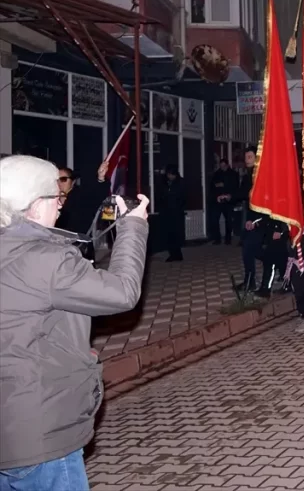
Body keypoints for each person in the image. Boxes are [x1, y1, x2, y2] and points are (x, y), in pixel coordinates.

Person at [0, 155, 149, 491]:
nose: (60, 206)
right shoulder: (45, 260)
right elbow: (122, 292)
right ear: (35, 205)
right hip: (39, 433)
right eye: (57, 198)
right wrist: (133, 227)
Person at [238, 146, 262, 292]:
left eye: (250, 157)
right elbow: (243, 194)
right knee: (249, 249)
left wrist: (254, 221)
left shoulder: (260, 175)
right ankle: (249, 280)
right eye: (246, 157)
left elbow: (259, 200)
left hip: (259, 219)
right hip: (251, 217)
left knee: (251, 249)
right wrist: (228, 196)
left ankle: (250, 281)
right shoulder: (247, 175)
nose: (247, 160)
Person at [210, 159, 238, 245]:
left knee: (228, 220)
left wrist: (224, 185)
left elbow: (235, 186)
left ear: (227, 165)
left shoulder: (233, 174)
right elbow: (213, 185)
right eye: (221, 166)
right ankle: (217, 238)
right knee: (214, 219)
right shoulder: (217, 174)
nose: (222, 168)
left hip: (228, 201)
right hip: (218, 200)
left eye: (224, 166)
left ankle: (228, 239)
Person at [161, 165, 186, 262]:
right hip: (167, 211)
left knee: (176, 234)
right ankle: (173, 254)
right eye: (168, 175)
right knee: (169, 234)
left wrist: (178, 207)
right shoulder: (165, 183)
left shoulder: (180, 182)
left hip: (176, 212)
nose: (170, 177)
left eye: (171, 175)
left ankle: (177, 254)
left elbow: (183, 197)